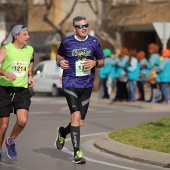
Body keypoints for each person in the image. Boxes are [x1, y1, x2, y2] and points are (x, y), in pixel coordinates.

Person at [55, 16, 104, 164]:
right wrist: (60, 62)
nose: (84, 28)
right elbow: (59, 55)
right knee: (75, 116)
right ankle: (77, 154)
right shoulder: (67, 41)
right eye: (81, 26)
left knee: (79, 122)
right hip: (70, 82)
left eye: (86, 25)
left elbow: (101, 61)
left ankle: (63, 132)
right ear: (74, 28)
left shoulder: (94, 42)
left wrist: (95, 62)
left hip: (87, 85)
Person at [0, 25, 34, 165]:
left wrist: (30, 75)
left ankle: (11, 140)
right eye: (25, 35)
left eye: (28, 34)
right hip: (5, 90)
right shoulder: (6, 49)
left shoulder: (30, 49)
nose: (28, 37)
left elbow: (31, 61)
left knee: (22, 120)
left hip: (22, 90)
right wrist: (5, 73)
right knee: (3, 125)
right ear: (16, 36)